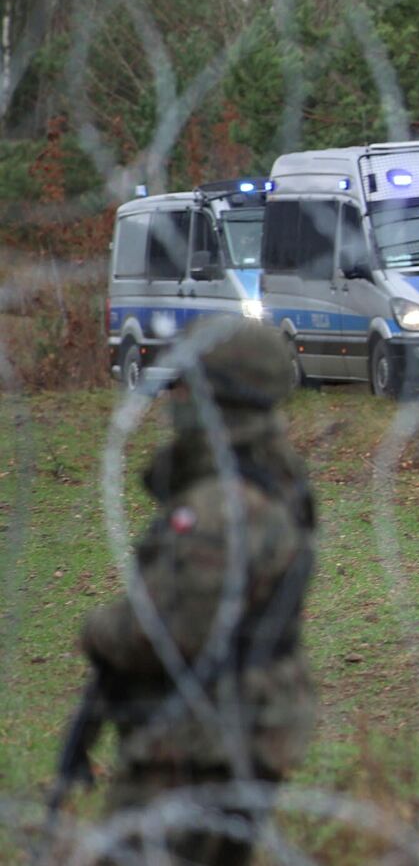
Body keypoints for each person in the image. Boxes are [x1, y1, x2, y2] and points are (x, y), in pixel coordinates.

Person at [75, 318, 316, 866]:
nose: (170, 401)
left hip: (202, 740)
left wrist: (99, 631)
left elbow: (173, 630)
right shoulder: (265, 478)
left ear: (218, 397)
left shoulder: (222, 506)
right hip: (222, 730)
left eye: (183, 386)